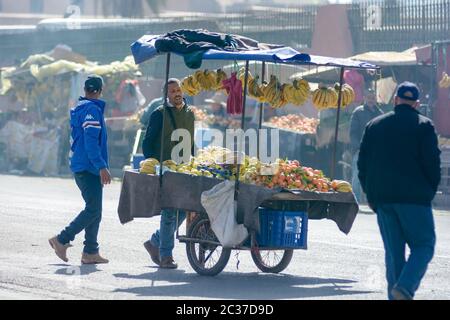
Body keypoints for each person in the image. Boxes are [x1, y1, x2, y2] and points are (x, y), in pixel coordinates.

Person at [358, 82, 441, 300]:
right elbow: (433, 165)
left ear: (395, 100)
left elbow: (362, 164)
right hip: (415, 200)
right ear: (416, 103)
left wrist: (370, 194)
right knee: (424, 246)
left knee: (394, 255)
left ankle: (396, 295)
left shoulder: (374, 125)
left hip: (383, 200)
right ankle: (405, 287)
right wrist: (428, 192)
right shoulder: (424, 126)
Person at [49, 75, 111, 265]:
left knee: (95, 210)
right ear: (100, 91)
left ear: (85, 90)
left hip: (83, 166)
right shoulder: (92, 109)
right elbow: (91, 143)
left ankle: (90, 251)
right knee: (93, 210)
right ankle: (62, 239)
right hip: (88, 167)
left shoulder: (80, 107)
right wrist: (102, 166)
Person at [142, 78, 195, 269]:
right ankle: (166, 256)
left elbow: (191, 141)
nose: (177, 93)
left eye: (179, 89)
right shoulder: (159, 114)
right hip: (165, 169)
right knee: (170, 211)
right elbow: (147, 143)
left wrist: (195, 160)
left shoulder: (190, 114)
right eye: (172, 91)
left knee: (184, 210)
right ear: (167, 95)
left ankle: (155, 242)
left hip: (186, 168)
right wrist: (155, 165)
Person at [349, 88, 383, 203]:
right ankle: (355, 202)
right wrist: (358, 147)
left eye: (373, 98)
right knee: (358, 177)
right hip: (360, 150)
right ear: (364, 98)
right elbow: (353, 132)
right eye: (369, 97)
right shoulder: (358, 112)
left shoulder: (380, 114)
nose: (371, 100)